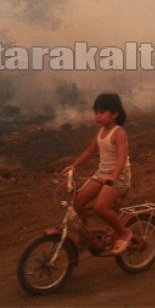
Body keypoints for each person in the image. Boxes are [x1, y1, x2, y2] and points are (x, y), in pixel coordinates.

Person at [61, 93, 132, 255]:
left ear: (114, 114)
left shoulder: (118, 132)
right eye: (96, 112)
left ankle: (124, 232)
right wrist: (74, 166)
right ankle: (85, 237)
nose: (97, 115)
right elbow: (90, 151)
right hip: (102, 174)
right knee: (77, 202)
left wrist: (113, 177)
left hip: (119, 176)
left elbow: (121, 158)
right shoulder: (101, 131)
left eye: (102, 112)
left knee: (100, 207)